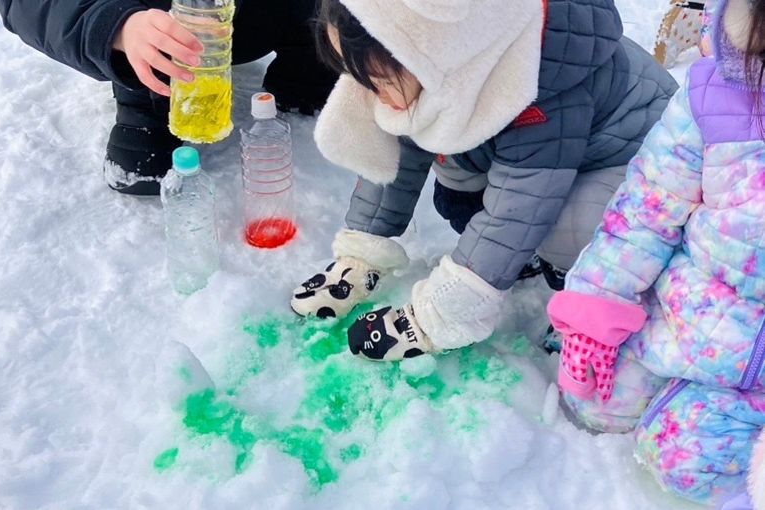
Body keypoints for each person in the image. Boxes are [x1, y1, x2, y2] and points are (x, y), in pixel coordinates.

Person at [289, 0, 678, 362]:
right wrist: (362, 253)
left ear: (427, 52)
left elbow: (521, 206)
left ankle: (590, 292)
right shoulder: (441, 56)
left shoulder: (538, 82)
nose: (375, 95)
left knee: (563, 232)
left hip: (631, 159)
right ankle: (526, 259)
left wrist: (436, 317)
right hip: (547, 157)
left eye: (379, 81)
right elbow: (397, 144)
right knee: (455, 179)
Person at [547, 0, 765, 504]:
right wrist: (594, 314)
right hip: (696, 317)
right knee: (593, 401)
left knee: (686, 458)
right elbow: (646, 212)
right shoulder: (716, 96)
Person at [0, 0, 337, 195]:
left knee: (331, 45)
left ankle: (314, 66)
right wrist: (116, 26)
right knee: (143, 169)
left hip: (271, 15)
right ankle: (149, 97)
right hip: (159, 34)